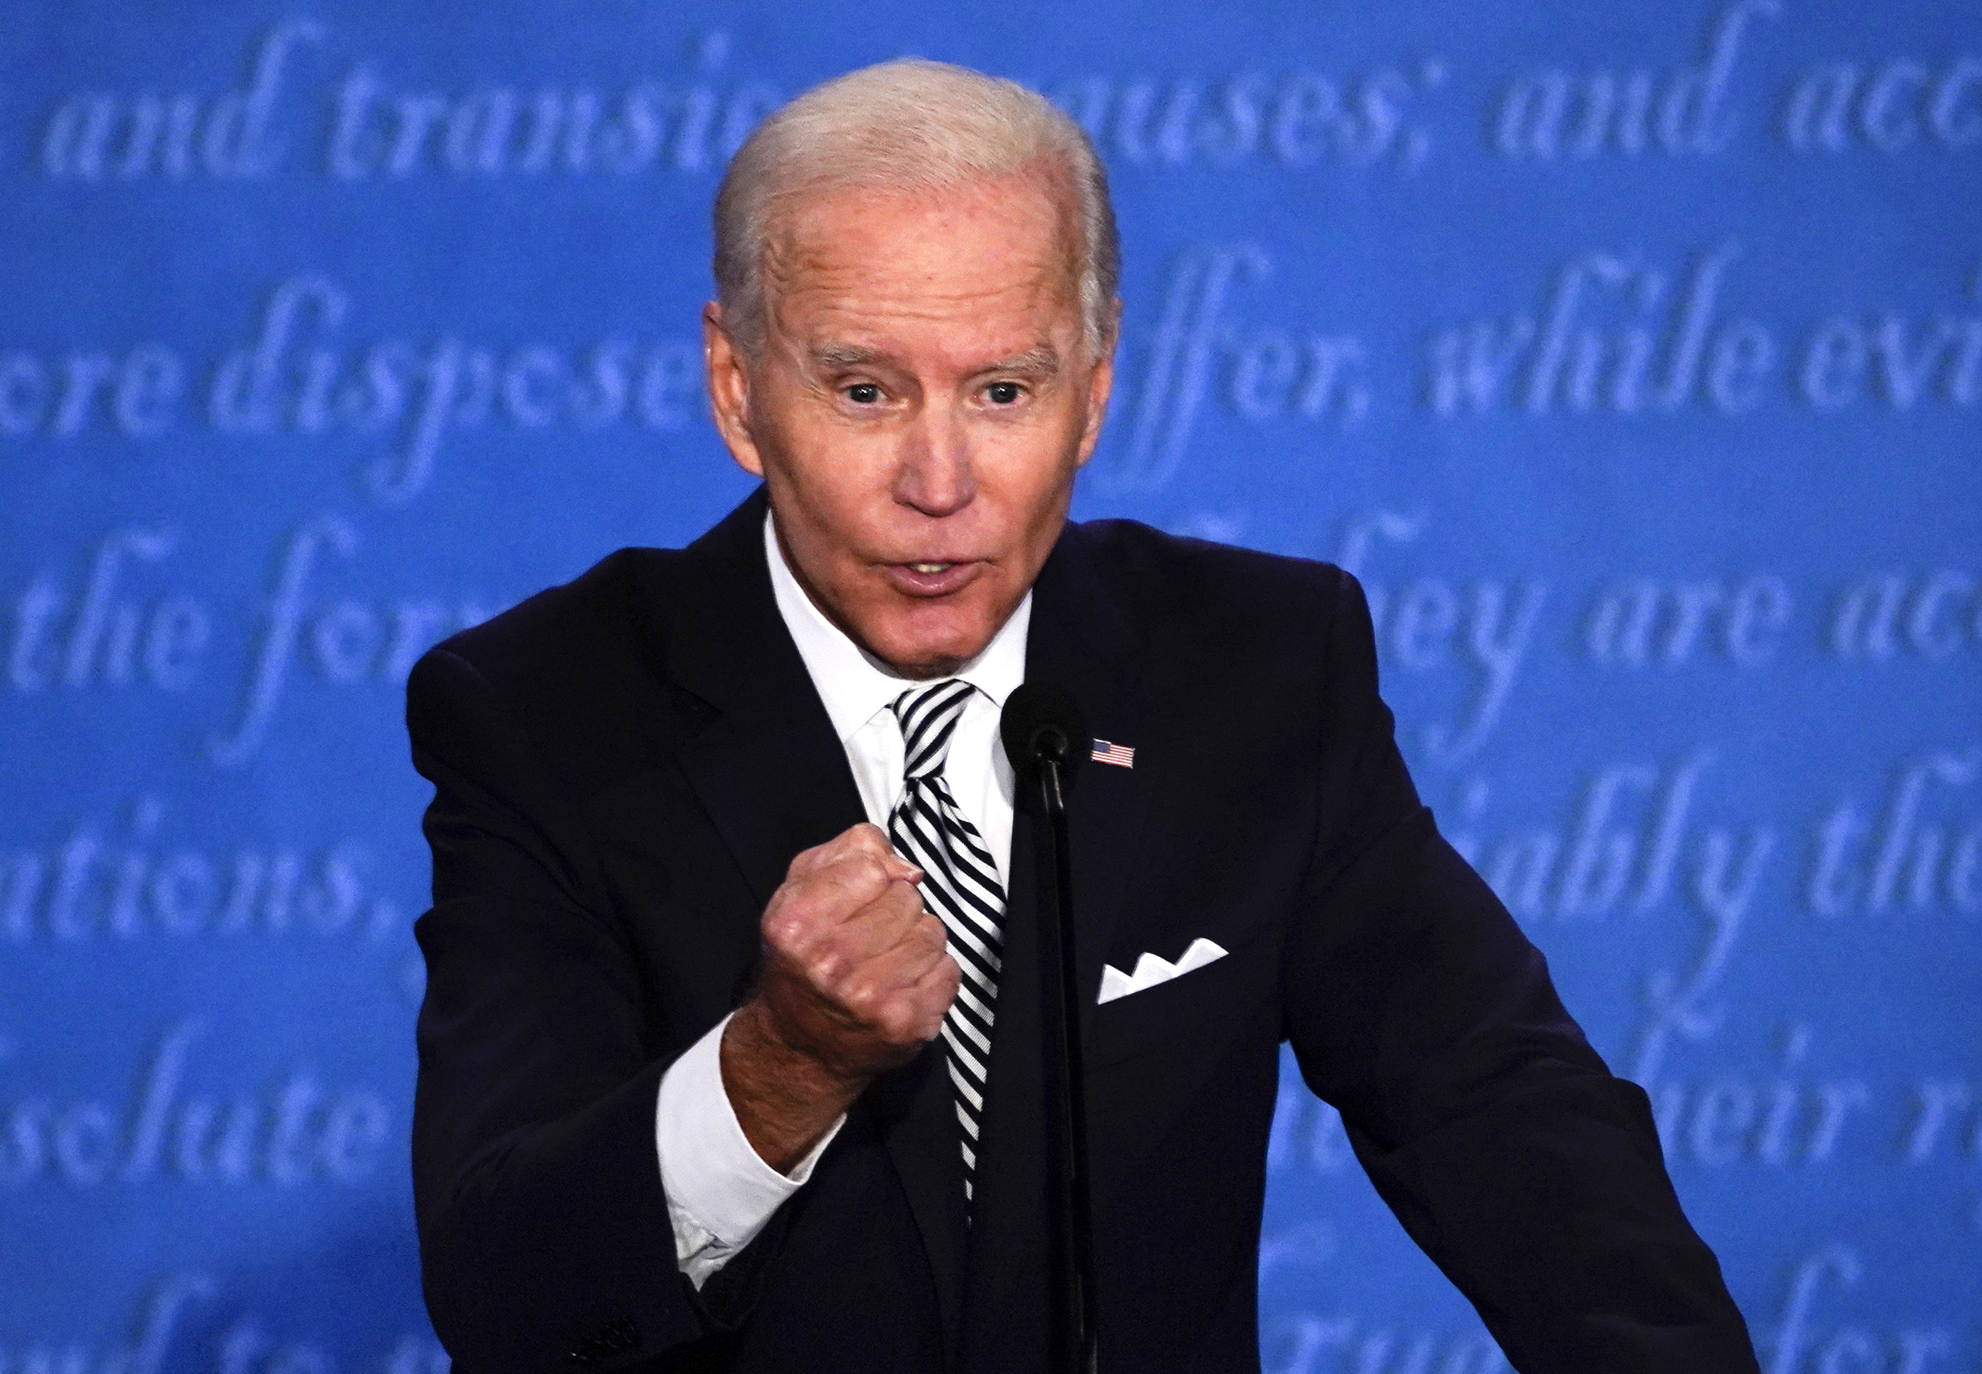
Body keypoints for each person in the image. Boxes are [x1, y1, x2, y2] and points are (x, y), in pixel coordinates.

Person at [405, 58, 1759, 1374]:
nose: (938, 482)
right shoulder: (546, 714)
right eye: (865, 389)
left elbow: (1495, 1102)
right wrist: (778, 1064)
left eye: (1003, 389)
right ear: (736, 386)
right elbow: (511, 1299)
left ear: (1095, 389)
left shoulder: (1256, 670)